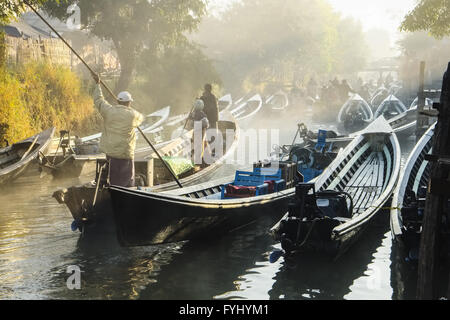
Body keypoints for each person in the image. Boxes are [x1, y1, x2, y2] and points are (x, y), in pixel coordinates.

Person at [91, 73, 144, 187]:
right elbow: (141, 118)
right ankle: (127, 196)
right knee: (127, 182)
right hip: (126, 155)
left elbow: (99, 100)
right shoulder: (133, 115)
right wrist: (126, 108)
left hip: (111, 154)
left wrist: (98, 84)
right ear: (129, 102)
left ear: (118, 101)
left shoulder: (108, 111)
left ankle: (112, 192)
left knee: (114, 181)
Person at [188, 99, 210, 166]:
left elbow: (191, 123)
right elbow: (206, 125)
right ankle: (199, 161)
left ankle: (200, 161)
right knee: (200, 146)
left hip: (199, 131)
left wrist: (190, 117)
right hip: (200, 131)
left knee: (200, 146)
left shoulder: (194, 114)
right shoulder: (201, 114)